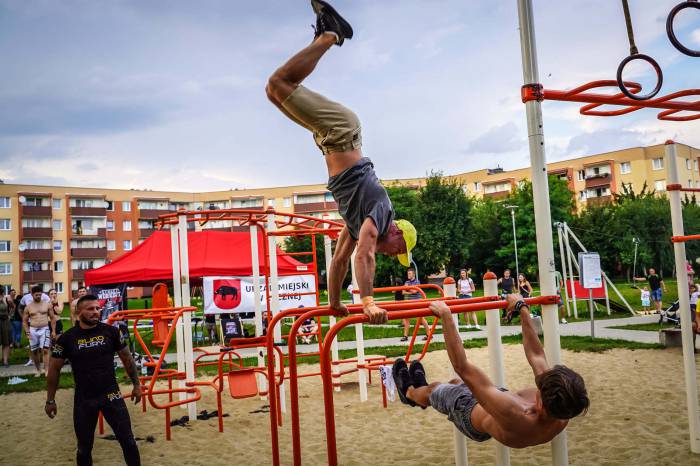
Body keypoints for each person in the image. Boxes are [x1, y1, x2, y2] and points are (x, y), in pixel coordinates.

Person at [265, 0, 417, 326]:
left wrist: (335, 303)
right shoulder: (381, 209)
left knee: (274, 90)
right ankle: (330, 34)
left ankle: (328, 33)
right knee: (279, 85)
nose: (393, 255)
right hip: (342, 132)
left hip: (331, 140)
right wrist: (368, 301)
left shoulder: (357, 225)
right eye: (398, 250)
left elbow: (339, 262)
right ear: (398, 233)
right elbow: (365, 255)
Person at [392, 294, 589, 448]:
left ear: (542, 403)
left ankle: (409, 392)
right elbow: (537, 355)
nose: (541, 381)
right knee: (454, 384)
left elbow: (462, 366)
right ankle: (422, 393)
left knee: (435, 389)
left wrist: (446, 316)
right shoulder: (565, 409)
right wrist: (522, 308)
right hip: (498, 403)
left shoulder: (516, 414)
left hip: (468, 412)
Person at [46, 294, 142, 466]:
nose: (96, 312)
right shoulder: (67, 338)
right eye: (90, 309)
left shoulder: (111, 332)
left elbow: (127, 358)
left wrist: (137, 384)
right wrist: (50, 399)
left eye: (98, 308)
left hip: (111, 395)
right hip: (84, 399)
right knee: (84, 448)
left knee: (128, 442)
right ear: (78, 312)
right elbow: (54, 369)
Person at [22, 285, 55, 376]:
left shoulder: (47, 304)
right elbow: (24, 321)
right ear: (32, 294)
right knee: (35, 351)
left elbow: (52, 318)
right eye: (36, 295)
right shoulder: (28, 307)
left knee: (45, 350)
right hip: (33, 330)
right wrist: (27, 332)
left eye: (40, 295)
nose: (38, 296)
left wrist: (53, 331)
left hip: (45, 329)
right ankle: (38, 370)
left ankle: (47, 370)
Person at [401, 268, 430, 342]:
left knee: (421, 319)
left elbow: (415, 291)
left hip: (417, 302)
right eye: (408, 273)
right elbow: (403, 292)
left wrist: (407, 288)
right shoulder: (407, 282)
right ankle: (405, 336)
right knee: (407, 319)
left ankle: (429, 334)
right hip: (409, 302)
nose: (408, 275)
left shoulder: (417, 282)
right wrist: (409, 290)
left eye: (410, 273)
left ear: (413, 274)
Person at [0, 289, 11, 367]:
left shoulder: (5, 298)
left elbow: (13, 307)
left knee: (6, 342)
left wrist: (9, 316)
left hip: (5, 322)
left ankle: (5, 361)